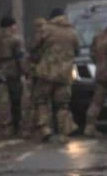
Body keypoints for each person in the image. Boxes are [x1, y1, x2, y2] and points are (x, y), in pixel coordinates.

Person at [29, 8, 80, 142]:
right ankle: (64, 132)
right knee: (62, 104)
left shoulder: (46, 29)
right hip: (64, 74)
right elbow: (77, 51)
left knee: (41, 100)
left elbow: (33, 46)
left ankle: (45, 128)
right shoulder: (72, 32)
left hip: (46, 72)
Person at [0, 16, 26, 136]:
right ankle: (17, 127)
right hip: (13, 72)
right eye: (14, 25)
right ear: (10, 26)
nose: (16, 27)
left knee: (3, 101)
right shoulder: (15, 39)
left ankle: (5, 127)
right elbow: (20, 57)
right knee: (16, 100)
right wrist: (25, 71)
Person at [84, 13, 107, 137]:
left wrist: (99, 64)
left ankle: (89, 126)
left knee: (97, 102)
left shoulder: (99, 36)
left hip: (101, 72)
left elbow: (92, 54)